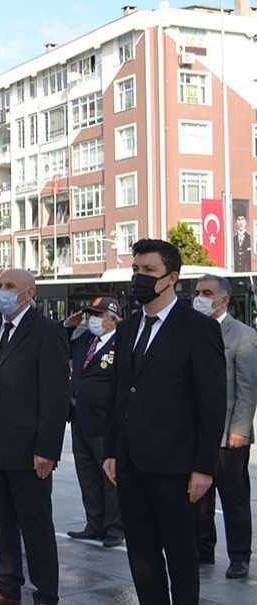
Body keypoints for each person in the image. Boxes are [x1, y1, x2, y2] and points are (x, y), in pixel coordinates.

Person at [103, 239, 226, 604]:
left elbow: (211, 402)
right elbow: (120, 394)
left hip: (176, 468)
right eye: (136, 270)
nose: (139, 278)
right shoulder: (128, 329)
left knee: (181, 557)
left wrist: (204, 468)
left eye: (149, 271)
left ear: (171, 277)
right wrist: (112, 451)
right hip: (131, 465)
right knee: (142, 557)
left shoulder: (198, 329)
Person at [0, 269, 69, 605]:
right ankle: (7, 586)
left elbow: (55, 396)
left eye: (9, 286)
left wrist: (47, 449)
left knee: (36, 526)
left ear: (29, 293)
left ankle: (46, 592)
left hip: (30, 451)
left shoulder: (47, 332)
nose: (2, 292)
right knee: (3, 522)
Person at [192, 275, 256, 579]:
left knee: (234, 500)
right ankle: (203, 550)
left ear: (224, 299)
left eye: (207, 293)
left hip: (229, 435)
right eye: (197, 292)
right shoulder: (189, 331)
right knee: (198, 497)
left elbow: (247, 388)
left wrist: (240, 430)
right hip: (196, 434)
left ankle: (239, 556)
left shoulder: (242, 335)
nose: (201, 298)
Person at [61, 297, 124, 549]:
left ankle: (115, 528)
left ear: (113, 318)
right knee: (86, 474)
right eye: (90, 314)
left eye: (98, 314)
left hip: (105, 422)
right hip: (80, 419)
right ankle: (94, 523)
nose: (92, 320)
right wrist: (67, 326)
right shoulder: (84, 340)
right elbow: (58, 347)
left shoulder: (121, 344)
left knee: (110, 477)